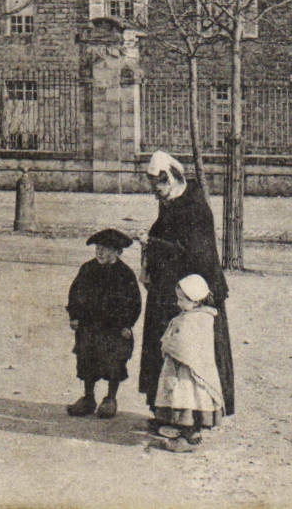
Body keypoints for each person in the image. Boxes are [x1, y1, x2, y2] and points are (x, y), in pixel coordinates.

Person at [139, 150, 234, 419]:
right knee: (165, 352)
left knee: (192, 357)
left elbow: (196, 254)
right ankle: (165, 413)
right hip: (168, 291)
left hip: (194, 295)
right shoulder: (171, 203)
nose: (156, 193)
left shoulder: (195, 208)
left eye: (159, 186)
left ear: (171, 178)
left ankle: (194, 419)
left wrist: (153, 244)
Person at [65, 228, 143, 420]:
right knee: (86, 359)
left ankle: (110, 399)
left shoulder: (125, 274)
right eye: (98, 248)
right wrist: (74, 316)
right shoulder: (87, 269)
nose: (99, 252)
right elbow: (74, 293)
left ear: (117, 252)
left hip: (114, 329)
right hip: (89, 326)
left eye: (105, 249)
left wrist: (127, 324)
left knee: (114, 361)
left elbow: (135, 302)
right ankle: (88, 398)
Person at [151, 274, 225, 453]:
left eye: (182, 300)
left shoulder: (197, 319)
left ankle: (188, 436)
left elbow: (184, 345)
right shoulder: (191, 316)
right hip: (182, 367)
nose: (178, 303)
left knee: (187, 399)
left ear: (196, 300)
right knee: (186, 400)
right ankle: (186, 433)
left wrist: (168, 344)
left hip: (188, 371)